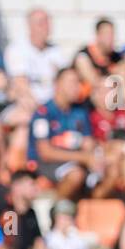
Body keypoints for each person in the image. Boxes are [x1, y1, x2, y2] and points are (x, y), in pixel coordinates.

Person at [28, 68, 95, 201]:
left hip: (76, 161)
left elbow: (89, 143)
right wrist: (82, 157)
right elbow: (45, 152)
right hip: (48, 165)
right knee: (76, 175)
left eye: (78, 83)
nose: (77, 87)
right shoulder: (43, 113)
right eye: (72, 82)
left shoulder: (80, 113)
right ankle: (55, 210)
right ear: (57, 84)